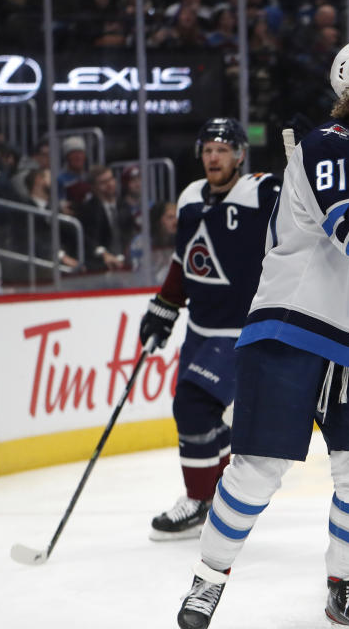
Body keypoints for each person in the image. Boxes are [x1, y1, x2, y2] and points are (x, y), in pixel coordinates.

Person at [173, 37, 349, 629]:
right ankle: (207, 582)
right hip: (291, 329)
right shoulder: (329, 144)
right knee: (257, 469)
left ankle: (347, 586)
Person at [138, 118, 279, 541]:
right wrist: (164, 308)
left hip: (244, 328)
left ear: (240, 154)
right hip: (201, 327)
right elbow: (186, 261)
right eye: (207, 149)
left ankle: (200, 501)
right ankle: (219, 497)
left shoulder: (263, 191)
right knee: (206, 418)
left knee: (193, 405)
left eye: (223, 149)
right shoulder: (188, 199)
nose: (213, 157)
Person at [77, 165, 135, 271]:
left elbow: (129, 232)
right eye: (103, 182)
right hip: (100, 263)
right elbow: (88, 240)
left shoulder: (123, 205)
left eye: (111, 179)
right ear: (93, 187)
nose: (110, 184)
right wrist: (104, 254)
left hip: (125, 260)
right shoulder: (88, 210)